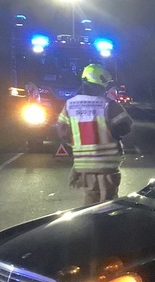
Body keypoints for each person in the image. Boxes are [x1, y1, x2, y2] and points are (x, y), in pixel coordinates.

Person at [56, 63, 133, 206]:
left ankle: (90, 226)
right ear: (101, 83)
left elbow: (62, 131)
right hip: (107, 164)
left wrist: (78, 143)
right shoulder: (108, 105)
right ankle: (105, 227)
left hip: (84, 165)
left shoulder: (70, 105)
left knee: (90, 200)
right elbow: (125, 127)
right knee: (108, 202)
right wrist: (111, 135)